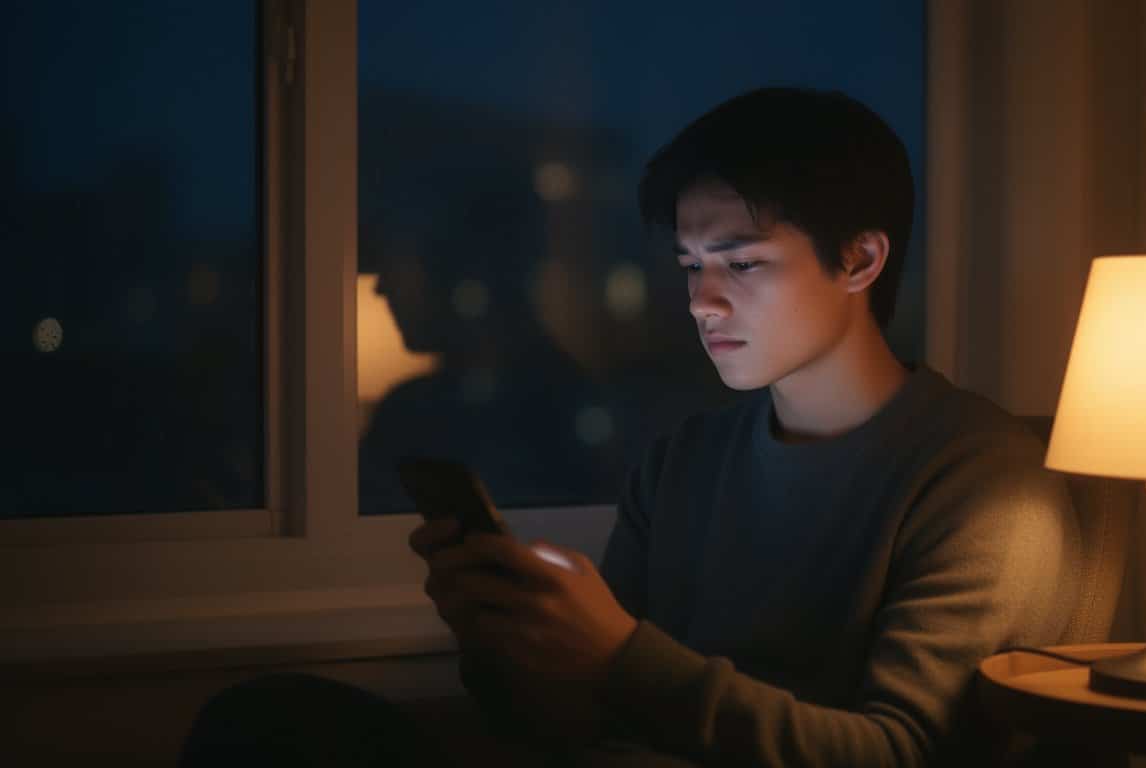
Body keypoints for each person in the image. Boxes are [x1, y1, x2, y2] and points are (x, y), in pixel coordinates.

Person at [180, 87, 1080, 767]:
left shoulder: (980, 480)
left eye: (742, 262)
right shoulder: (685, 461)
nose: (701, 299)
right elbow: (586, 721)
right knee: (270, 723)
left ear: (860, 259)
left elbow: (903, 751)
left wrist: (622, 656)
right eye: (690, 263)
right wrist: (505, 642)